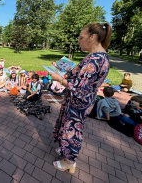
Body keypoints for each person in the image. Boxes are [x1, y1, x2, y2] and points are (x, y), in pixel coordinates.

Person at [50, 22, 111, 173]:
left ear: (92, 37)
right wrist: (60, 67)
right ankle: (65, 151)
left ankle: (69, 161)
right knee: (68, 127)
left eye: (81, 37)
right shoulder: (98, 56)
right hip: (82, 101)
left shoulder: (94, 60)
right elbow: (79, 74)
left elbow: (79, 87)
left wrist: (58, 79)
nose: (79, 40)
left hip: (79, 102)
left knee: (73, 130)